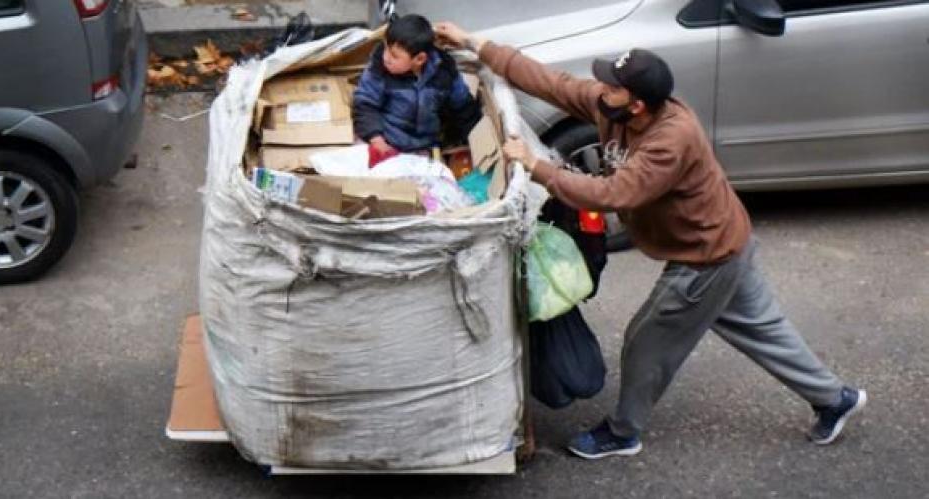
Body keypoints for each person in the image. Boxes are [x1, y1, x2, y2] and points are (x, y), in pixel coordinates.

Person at [435, 22, 867, 460]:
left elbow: (613, 194)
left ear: (638, 104)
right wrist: (475, 43)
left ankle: (623, 432)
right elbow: (554, 83)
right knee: (764, 331)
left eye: (612, 86)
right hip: (727, 241)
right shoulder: (613, 106)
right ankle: (836, 399)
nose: (601, 88)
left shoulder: (670, 140)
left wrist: (537, 166)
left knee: (646, 341)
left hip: (706, 256)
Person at [352, 14, 481, 163]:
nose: (386, 57)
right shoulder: (379, 67)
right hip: (385, 140)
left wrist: (473, 142)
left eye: (394, 56)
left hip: (423, 148)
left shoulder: (445, 71)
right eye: (386, 48)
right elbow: (365, 103)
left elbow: (464, 108)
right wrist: (376, 140)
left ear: (419, 59)